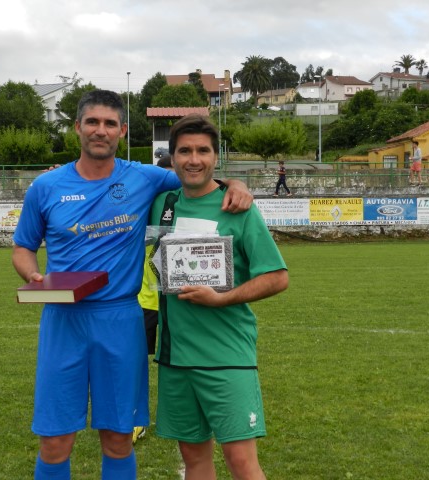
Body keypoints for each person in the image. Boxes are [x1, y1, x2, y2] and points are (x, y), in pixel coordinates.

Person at [11, 90, 254, 480]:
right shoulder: (46, 186)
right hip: (63, 320)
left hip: (121, 320)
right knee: (54, 441)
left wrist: (236, 182)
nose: (100, 131)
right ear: (77, 127)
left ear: (122, 131)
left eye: (110, 124)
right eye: (92, 122)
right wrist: (32, 275)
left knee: (118, 439)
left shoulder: (143, 177)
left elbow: (195, 173)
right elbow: (23, 247)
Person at [150, 114, 289, 480]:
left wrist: (221, 299)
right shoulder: (162, 202)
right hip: (176, 358)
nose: (194, 159)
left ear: (216, 157)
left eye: (203, 151)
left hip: (226, 355)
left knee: (241, 462)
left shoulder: (238, 207)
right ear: (173, 157)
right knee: (194, 459)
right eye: (185, 151)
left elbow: (277, 277)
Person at [133, 154, 173, 444]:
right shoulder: (143, 203)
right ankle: (136, 418)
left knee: (179, 361)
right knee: (136, 361)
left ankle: (181, 414)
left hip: (181, 301)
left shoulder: (189, 202)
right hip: (145, 298)